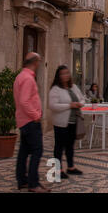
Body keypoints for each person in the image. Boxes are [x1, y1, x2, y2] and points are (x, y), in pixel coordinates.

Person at [14, 52, 50, 193]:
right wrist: (35, 115)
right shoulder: (28, 79)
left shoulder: (20, 76)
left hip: (23, 121)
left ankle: (22, 180)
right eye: (39, 61)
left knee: (23, 152)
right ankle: (33, 184)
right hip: (30, 121)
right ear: (35, 62)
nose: (39, 64)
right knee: (37, 151)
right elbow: (24, 101)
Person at [48, 66, 85, 179]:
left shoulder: (73, 87)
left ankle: (71, 167)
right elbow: (53, 106)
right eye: (63, 74)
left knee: (70, 145)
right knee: (59, 147)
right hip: (61, 123)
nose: (66, 75)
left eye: (67, 73)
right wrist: (69, 105)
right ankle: (56, 171)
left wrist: (80, 104)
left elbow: (82, 99)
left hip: (74, 121)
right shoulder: (55, 89)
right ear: (58, 76)